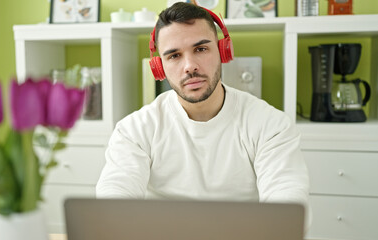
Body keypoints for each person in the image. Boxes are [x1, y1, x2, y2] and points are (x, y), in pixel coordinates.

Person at [96, 2, 310, 224]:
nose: (190, 66)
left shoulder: (271, 125)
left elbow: (288, 203)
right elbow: (115, 194)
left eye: (200, 49)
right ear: (159, 67)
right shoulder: (134, 130)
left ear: (224, 51)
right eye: (174, 56)